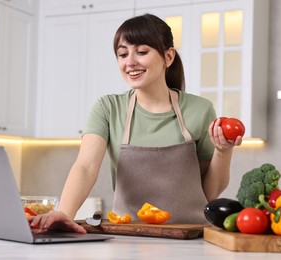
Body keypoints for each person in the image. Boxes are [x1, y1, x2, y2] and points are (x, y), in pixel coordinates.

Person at [30, 13, 242, 232]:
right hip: (128, 237)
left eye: (141, 52)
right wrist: (64, 213)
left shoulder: (200, 110)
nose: (130, 62)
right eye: (122, 54)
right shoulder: (108, 108)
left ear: (168, 57)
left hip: (190, 238)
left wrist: (223, 152)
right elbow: (85, 167)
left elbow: (208, 192)